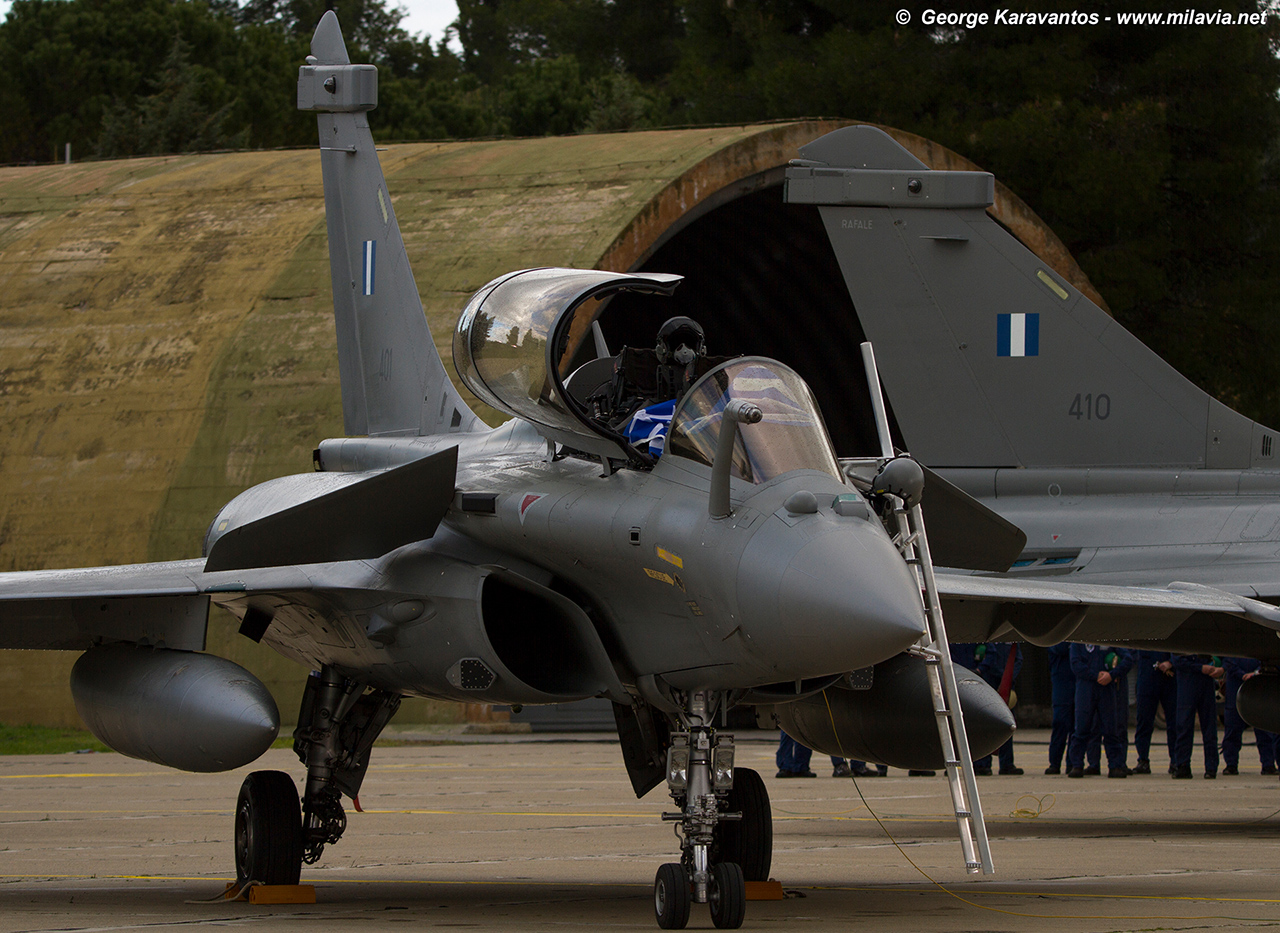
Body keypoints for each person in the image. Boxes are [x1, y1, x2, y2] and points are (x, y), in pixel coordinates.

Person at [1067, 644, 1133, 778]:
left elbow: (1127, 659)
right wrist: (1095, 675)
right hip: (1086, 688)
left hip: (1106, 688)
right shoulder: (1078, 641)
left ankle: (1115, 765)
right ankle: (1077, 765)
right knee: (1081, 727)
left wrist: (1112, 675)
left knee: (1110, 729)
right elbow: (1075, 664)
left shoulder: (1109, 639)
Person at [1221, 657, 1279, 776]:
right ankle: (1231, 764)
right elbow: (1228, 661)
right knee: (1232, 730)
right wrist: (1242, 674)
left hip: (1259, 683)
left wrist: (1256, 672)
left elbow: (1268, 659)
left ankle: (1268, 764)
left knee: (1264, 730)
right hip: (1235, 684)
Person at [1170, 654, 1223, 779]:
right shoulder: (1181, 644)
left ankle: (1211, 767)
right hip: (1187, 681)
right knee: (1184, 725)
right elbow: (1177, 660)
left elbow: (1223, 656)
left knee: (1209, 727)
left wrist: (1222, 668)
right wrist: (1200, 668)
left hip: (1206, 681)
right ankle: (1183, 765)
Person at [1132, 650, 1176, 774]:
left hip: (1169, 677)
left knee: (1174, 722)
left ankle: (1175, 760)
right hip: (1147, 674)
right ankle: (1143, 759)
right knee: (1144, 720)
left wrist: (1171, 662)